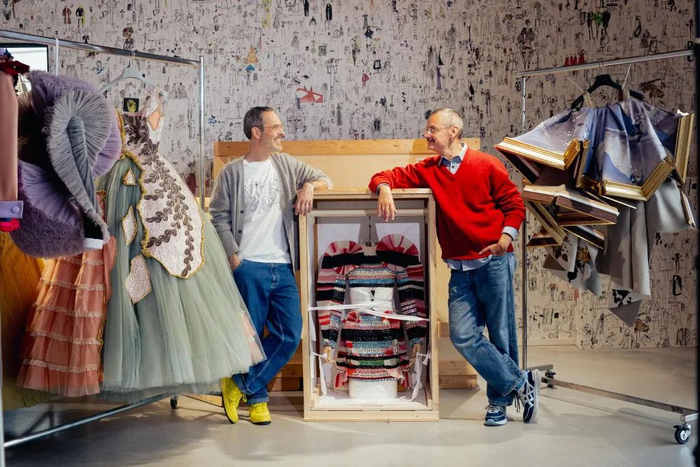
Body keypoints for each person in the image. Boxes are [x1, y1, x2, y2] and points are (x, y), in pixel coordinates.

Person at [368, 108, 540, 426]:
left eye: (432, 129)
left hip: (494, 262)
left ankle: (498, 404)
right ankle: (520, 382)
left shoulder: (486, 164)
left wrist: (505, 239)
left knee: (500, 335)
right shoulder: (429, 169)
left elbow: (515, 205)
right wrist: (384, 189)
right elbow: (383, 176)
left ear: (453, 131)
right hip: (460, 269)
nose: (427, 134)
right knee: (462, 335)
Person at [210, 106, 332, 425]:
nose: (282, 132)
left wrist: (308, 186)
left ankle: (240, 385)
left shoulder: (286, 164)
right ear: (257, 132)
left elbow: (325, 179)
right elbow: (218, 216)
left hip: (282, 265)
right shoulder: (232, 173)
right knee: (250, 339)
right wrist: (234, 256)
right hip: (248, 266)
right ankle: (258, 402)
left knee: (289, 334)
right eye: (275, 126)